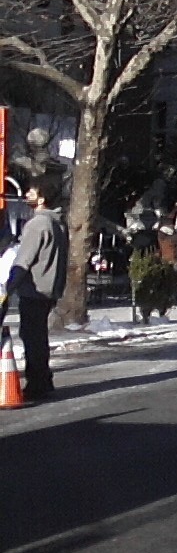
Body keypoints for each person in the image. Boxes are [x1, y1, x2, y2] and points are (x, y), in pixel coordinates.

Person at [6, 172, 69, 401]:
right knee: (39, 335)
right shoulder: (58, 222)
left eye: (31, 191)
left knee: (32, 336)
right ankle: (44, 379)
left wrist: (9, 288)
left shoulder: (37, 224)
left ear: (42, 198)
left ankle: (37, 382)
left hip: (35, 289)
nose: (26, 194)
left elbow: (24, 260)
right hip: (50, 288)